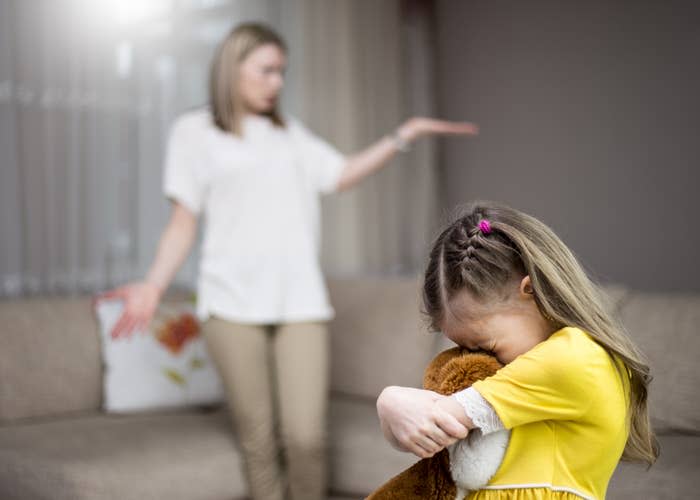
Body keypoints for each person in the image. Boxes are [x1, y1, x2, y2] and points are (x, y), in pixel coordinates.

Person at [96, 22, 478, 500]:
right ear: (232, 69)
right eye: (267, 70)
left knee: (305, 437)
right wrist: (153, 285)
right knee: (259, 440)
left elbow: (340, 174)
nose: (278, 82)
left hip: (301, 305)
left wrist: (403, 135)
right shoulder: (192, 132)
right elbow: (182, 222)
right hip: (229, 305)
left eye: (283, 72)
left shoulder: (288, 134)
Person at [376, 200, 659, 499]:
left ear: (530, 291)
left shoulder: (578, 359)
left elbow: (437, 420)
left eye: (485, 345)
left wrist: (389, 400)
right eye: (463, 347)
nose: (479, 358)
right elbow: (422, 436)